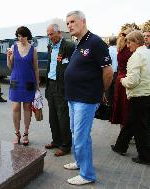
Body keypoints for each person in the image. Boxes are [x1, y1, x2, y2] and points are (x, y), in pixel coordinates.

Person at [63, 10, 113, 185]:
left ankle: (87, 174)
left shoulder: (95, 42)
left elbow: (108, 72)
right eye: (67, 22)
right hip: (74, 97)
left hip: (86, 98)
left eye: (72, 21)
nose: (69, 25)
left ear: (83, 21)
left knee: (81, 137)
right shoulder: (79, 43)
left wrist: (101, 91)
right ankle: (79, 162)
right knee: (76, 133)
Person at [111, 30, 150, 165]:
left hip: (140, 96)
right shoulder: (149, 53)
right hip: (149, 94)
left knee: (141, 128)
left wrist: (122, 80)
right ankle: (120, 146)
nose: (128, 45)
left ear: (136, 42)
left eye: (129, 42)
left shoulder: (136, 56)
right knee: (131, 121)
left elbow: (132, 81)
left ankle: (146, 157)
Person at [44, 24, 75, 156]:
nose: (49, 37)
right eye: (48, 34)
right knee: (53, 116)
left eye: (51, 34)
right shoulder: (50, 46)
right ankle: (56, 141)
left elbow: (74, 65)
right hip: (50, 84)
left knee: (62, 116)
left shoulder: (69, 46)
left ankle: (66, 146)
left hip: (61, 85)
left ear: (59, 33)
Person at [7, 26, 39, 146]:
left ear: (28, 36)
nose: (20, 38)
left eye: (23, 36)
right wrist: (8, 56)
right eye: (19, 36)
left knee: (27, 108)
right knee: (15, 108)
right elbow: (10, 67)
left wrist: (37, 84)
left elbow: (35, 68)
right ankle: (17, 133)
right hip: (16, 81)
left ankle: (25, 133)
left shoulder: (33, 50)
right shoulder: (13, 48)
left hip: (29, 81)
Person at [111, 28, 134, 128]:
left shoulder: (120, 48)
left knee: (122, 107)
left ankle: (123, 134)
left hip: (120, 79)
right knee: (127, 108)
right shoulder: (130, 50)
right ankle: (127, 136)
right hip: (127, 79)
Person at [107, 36, 118, 107]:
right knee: (115, 91)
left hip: (108, 72)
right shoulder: (118, 50)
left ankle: (109, 105)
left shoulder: (107, 50)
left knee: (108, 91)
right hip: (117, 72)